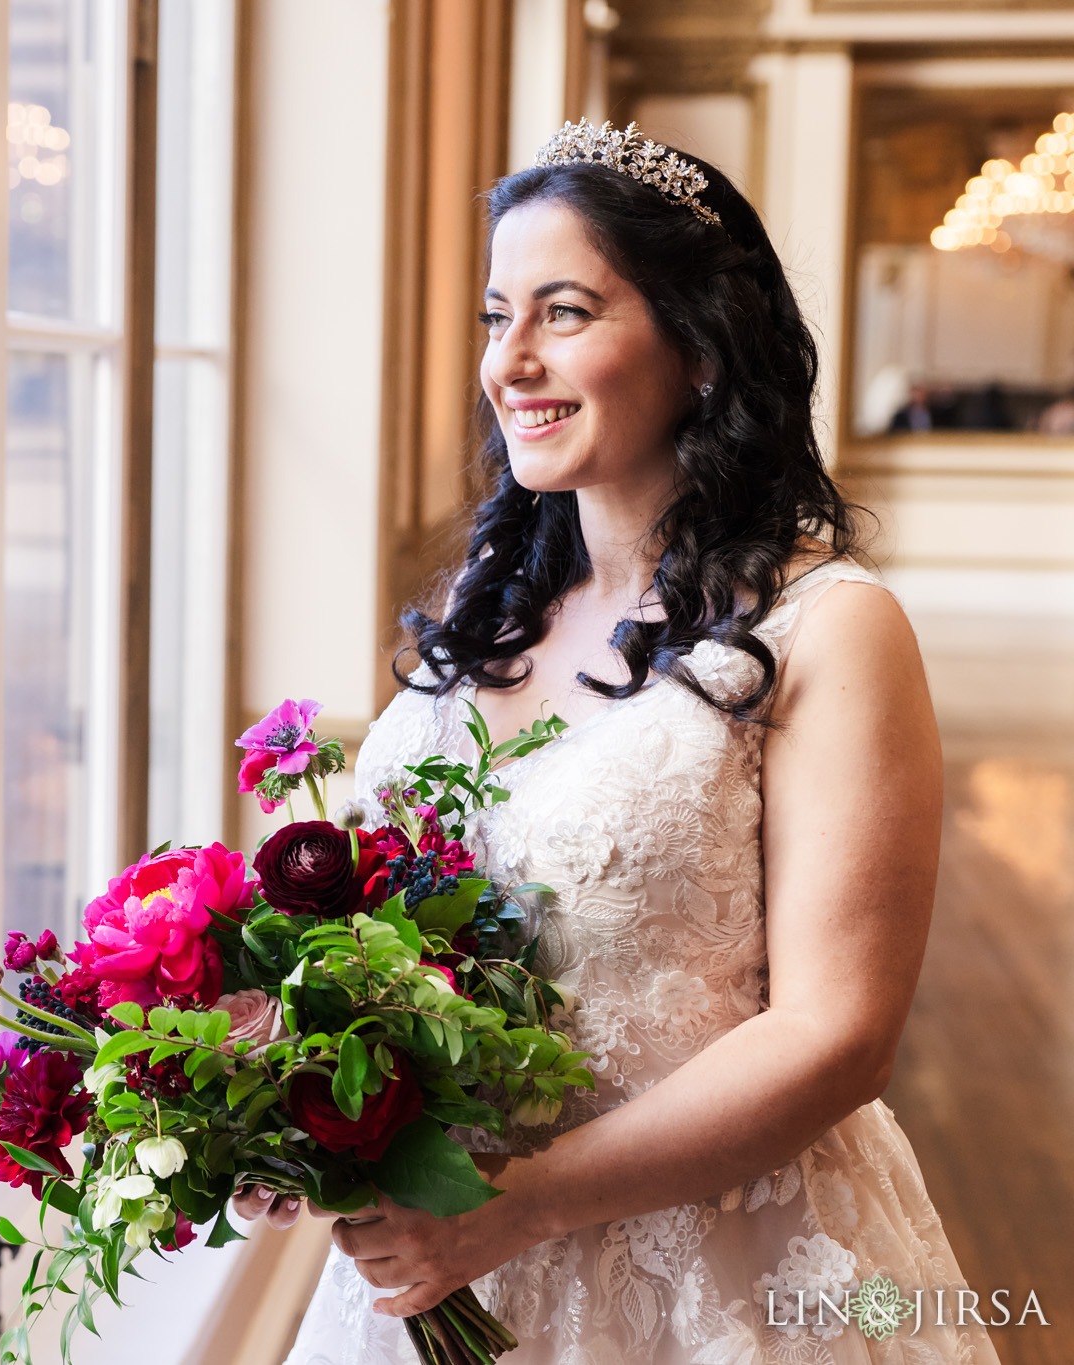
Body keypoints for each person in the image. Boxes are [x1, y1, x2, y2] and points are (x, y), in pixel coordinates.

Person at [235, 123, 1002, 1365]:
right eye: (496, 316)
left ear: (699, 349)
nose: (510, 361)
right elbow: (369, 941)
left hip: (716, 1277)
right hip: (443, 1265)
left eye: (565, 311)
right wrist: (270, 1089)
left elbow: (836, 1035)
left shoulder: (828, 631)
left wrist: (515, 1207)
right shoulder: (485, 611)